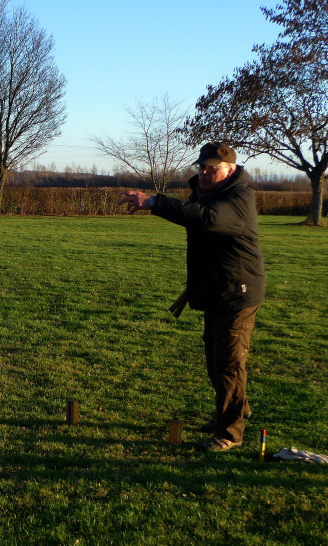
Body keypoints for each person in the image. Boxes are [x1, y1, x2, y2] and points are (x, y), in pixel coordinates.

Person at [119, 142, 265, 452]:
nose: (203, 173)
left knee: (228, 364)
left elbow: (206, 218)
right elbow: (205, 244)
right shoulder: (208, 194)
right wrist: (192, 290)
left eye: (210, 169)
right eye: (201, 167)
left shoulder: (237, 199)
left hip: (237, 292)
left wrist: (153, 202)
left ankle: (230, 433)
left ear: (229, 169)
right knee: (216, 360)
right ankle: (239, 410)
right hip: (216, 288)